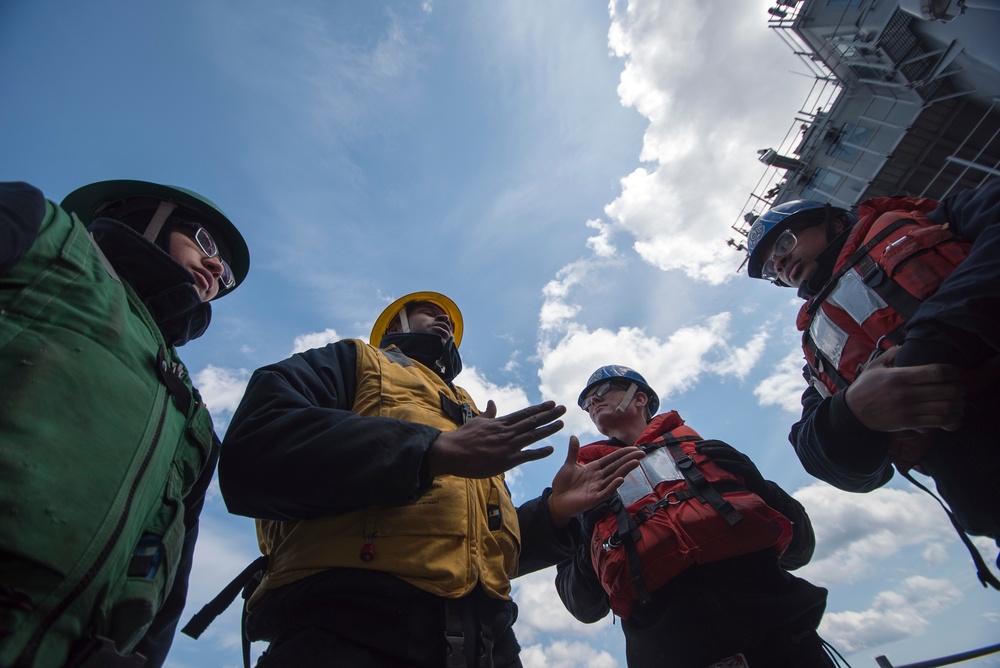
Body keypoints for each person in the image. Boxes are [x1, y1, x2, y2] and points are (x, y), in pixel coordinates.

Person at [217, 291, 644, 668]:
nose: (442, 318)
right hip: (343, 628)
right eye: (425, 310)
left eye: (446, 318)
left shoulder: (472, 413)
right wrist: (431, 450)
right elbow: (254, 449)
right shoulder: (351, 360)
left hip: (490, 644)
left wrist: (553, 514)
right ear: (393, 327)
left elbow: (483, 550)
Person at [0, 180, 250, 667]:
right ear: (146, 215)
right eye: (204, 241)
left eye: (227, 277)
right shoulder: (43, 232)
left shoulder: (195, 422)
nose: (218, 269)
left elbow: (166, 592)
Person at [744, 182, 1000, 570]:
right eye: (770, 269)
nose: (778, 265)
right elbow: (818, 453)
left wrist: (932, 342)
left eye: (783, 244)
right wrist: (851, 413)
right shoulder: (817, 358)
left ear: (832, 220)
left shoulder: (938, 218)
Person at [556, 366, 834, 668]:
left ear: (640, 398)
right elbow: (583, 607)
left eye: (601, 391)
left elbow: (801, 547)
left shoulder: (705, 452)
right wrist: (587, 533)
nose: (592, 403)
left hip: (784, 645)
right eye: (586, 403)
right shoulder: (584, 489)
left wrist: (755, 482)